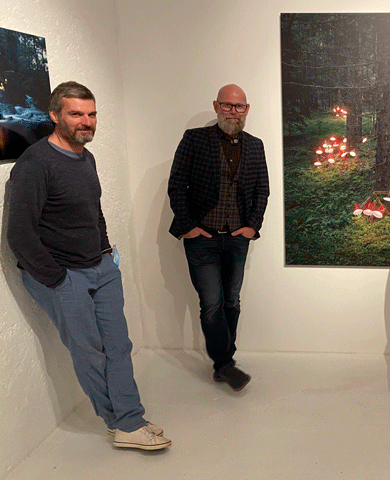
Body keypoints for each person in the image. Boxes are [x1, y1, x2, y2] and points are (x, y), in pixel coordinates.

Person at [7, 81, 171, 450]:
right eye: (76, 114)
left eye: (92, 114)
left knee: (119, 346)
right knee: (89, 352)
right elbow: (19, 234)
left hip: (100, 267)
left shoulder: (86, 157)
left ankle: (129, 418)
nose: (87, 121)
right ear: (55, 115)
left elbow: (93, 211)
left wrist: (106, 253)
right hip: (64, 275)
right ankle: (124, 424)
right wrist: (59, 280)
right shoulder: (35, 164)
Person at [168, 84, 269, 391]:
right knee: (211, 303)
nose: (233, 112)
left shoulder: (255, 145)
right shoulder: (194, 139)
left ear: (247, 109)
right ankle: (225, 365)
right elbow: (177, 185)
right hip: (202, 238)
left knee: (231, 301)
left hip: (237, 238)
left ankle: (225, 361)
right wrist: (188, 226)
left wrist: (252, 226)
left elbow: (262, 190)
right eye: (227, 105)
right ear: (216, 106)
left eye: (239, 107)